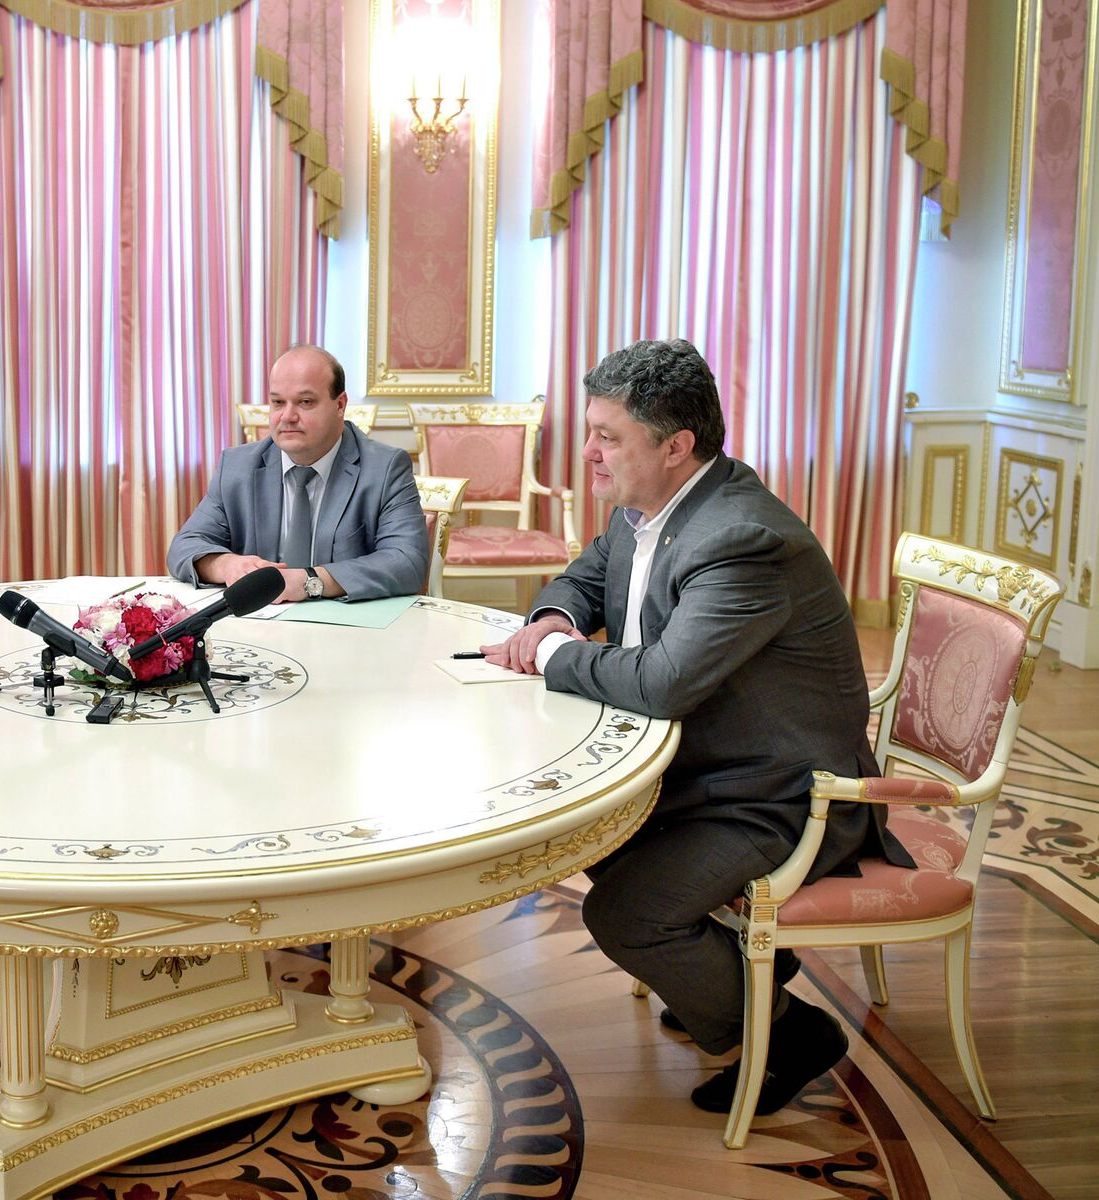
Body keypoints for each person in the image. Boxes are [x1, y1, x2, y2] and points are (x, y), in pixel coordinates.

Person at [483, 338, 907, 1116]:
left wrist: (548, 654)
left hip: (785, 794)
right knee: (587, 835)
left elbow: (665, 681)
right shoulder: (649, 506)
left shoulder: (742, 539)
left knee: (626, 913)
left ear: (676, 446)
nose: (588, 454)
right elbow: (586, 575)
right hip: (710, 767)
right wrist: (553, 616)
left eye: (607, 437)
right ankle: (726, 976)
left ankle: (790, 1034)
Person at [167, 345, 427, 602]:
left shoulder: (384, 468)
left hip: (346, 622)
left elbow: (407, 562)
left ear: (340, 405)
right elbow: (185, 545)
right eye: (278, 402)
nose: (288, 416)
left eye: (305, 402)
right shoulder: (238, 466)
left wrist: (309, 582)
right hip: (259, 622)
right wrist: (227, 565)